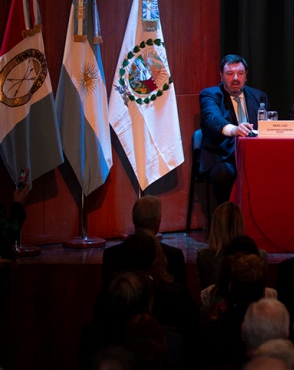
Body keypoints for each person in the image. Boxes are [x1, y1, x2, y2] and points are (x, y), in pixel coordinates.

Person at [200, 54, 270, 204]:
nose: (236, 78)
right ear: (221, 75)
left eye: (240, 73)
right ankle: (226, 222)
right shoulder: (210, 95)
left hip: (254, 156)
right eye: (230, 74)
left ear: (246, 76)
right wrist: (234, 130)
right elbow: (212, 118)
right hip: (222, 156)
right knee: (224, 174)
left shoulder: (259, 96)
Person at [101, 196, 186, 288]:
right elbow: (184, 298)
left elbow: (106, 297)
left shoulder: (111, 255)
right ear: (158, 221)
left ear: (134, 219)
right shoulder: (174, 256)